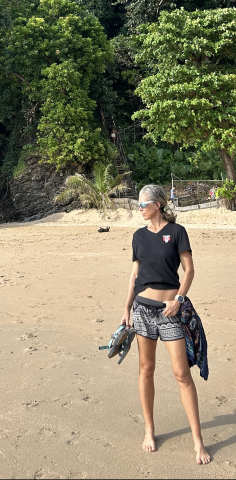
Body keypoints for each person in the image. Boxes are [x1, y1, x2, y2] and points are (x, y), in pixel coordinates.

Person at [121, 184, 210, 465]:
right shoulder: (138, 236)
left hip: (171, 311)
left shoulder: (177, 232)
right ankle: (150, 429)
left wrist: (180, 300)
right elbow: (135, 274)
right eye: (138, 205)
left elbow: (189, 270)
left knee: (182, 373)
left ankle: (198, 441)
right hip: (143, 310)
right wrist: (126, 308)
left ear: (158, 204)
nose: (139, 209)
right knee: (146, 369)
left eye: (143, 204)